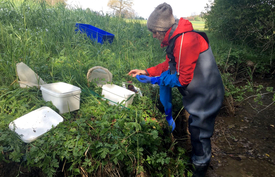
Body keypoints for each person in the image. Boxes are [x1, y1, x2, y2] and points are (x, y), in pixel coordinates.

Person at [128, 2, 225, 177]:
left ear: (163, 30)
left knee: (200, 130)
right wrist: (147, 71)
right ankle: (197, 157)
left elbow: (183, 78)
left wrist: (156, 79)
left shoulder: (184, 41)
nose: (153, 36)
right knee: (195, 126)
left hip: (206, 94)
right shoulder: (176, 39)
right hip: (198, 92)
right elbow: (169, 65)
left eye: (154, 32)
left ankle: (200, 167)